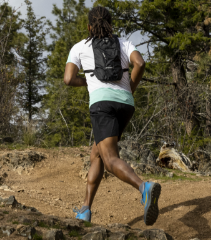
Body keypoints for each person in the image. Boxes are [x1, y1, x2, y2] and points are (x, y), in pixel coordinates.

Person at [63, 6, 161, 226]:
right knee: (97, 154)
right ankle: (85, 209)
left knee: (109, 160)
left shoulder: (80, 47)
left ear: (89, 26)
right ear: (110, 25)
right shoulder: (124, 43)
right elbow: (140, 63)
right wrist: (130, 88)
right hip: (126, 104)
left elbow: (68, 79)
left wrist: (88, 82)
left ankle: (143, 188)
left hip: (102, 105)